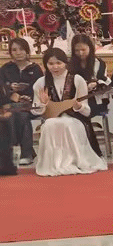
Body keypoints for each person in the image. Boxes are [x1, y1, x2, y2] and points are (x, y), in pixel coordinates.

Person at [31, 47, 107, 175]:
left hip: (75, 119)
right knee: (49, 125)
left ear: (65, 63)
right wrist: (42, 104)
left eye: (58, 63)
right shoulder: (41, 82)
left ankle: (73, 161)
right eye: (51, 63)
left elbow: (87, 112)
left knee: (66, 124)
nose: (55, 67)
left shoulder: (77, 80)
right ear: (45, 65)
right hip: (52, 118)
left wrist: (79, 107)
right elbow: (35, 111)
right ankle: (53, 164)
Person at [2, 36, 42, 166]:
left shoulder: (35, 69)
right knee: (12, 114)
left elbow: (41, 88)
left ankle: (25, 153)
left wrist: (29, 97)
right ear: (10, 52)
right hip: (10, 104)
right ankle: (25, 151)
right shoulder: (5, 69)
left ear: (27, 51)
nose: (18, 52)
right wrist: (10, 91)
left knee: (21, 114)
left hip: (31, 105)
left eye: (21, 49)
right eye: (14, 50)